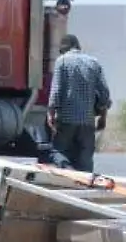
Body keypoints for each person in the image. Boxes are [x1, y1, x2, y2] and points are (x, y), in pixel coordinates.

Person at [46, 33, 111, 172]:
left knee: (57, 152)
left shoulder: (62, 61)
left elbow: (56, 92)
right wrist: (103, 117)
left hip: (67, 120)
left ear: (63, 49)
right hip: (88, 121)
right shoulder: (94, 62)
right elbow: (104, 94)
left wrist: (50, 114)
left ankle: (67, 169)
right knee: (85, 160)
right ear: (78, 46)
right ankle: (85, 188)